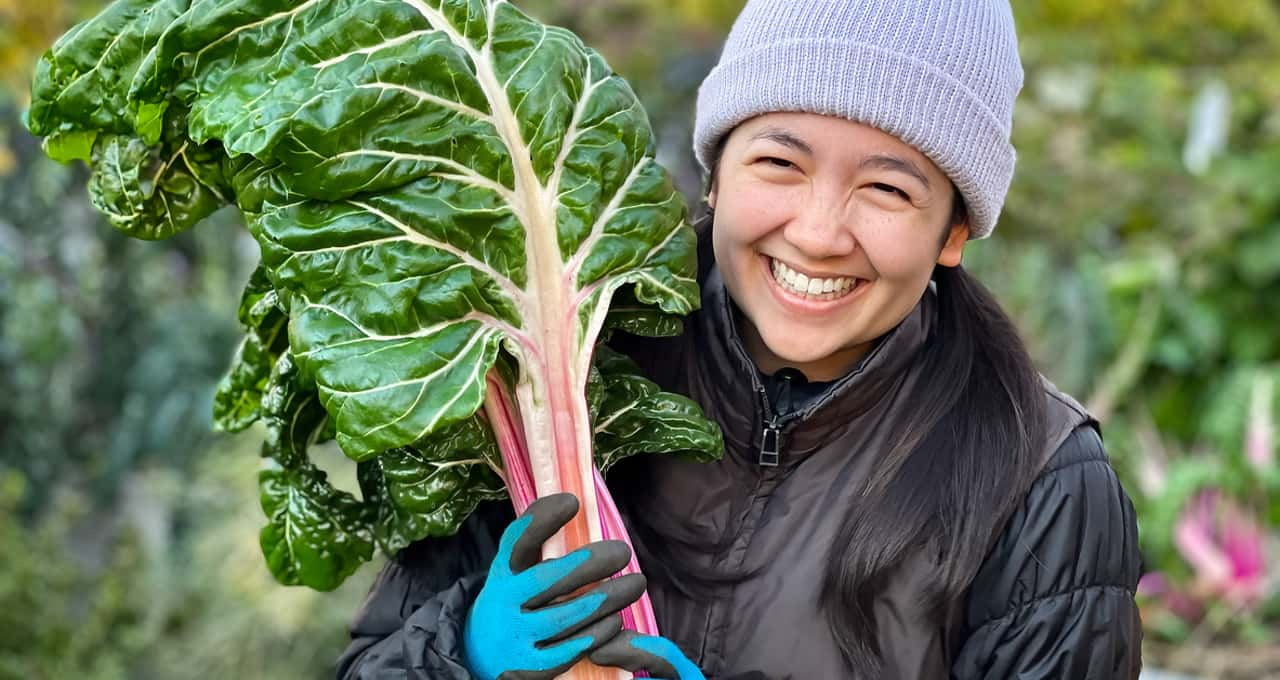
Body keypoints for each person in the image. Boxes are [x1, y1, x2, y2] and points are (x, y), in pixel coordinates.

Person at [336, 0, 1144, 677]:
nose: (820, 232)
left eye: (888, 188)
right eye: (780, 164)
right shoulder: (545, 378)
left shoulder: (1043, 480)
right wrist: (462, 655)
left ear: (954, 231)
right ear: (717, 171)